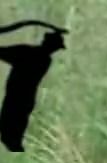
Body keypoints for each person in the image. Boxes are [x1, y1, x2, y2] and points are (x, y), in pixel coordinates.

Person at [0, 21, 68, 153]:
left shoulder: (28, 53)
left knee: (10, 128)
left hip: (16, 97)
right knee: (14, 128)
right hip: (26, 98)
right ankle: (14, 147)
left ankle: (14, 148)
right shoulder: (43, 58)